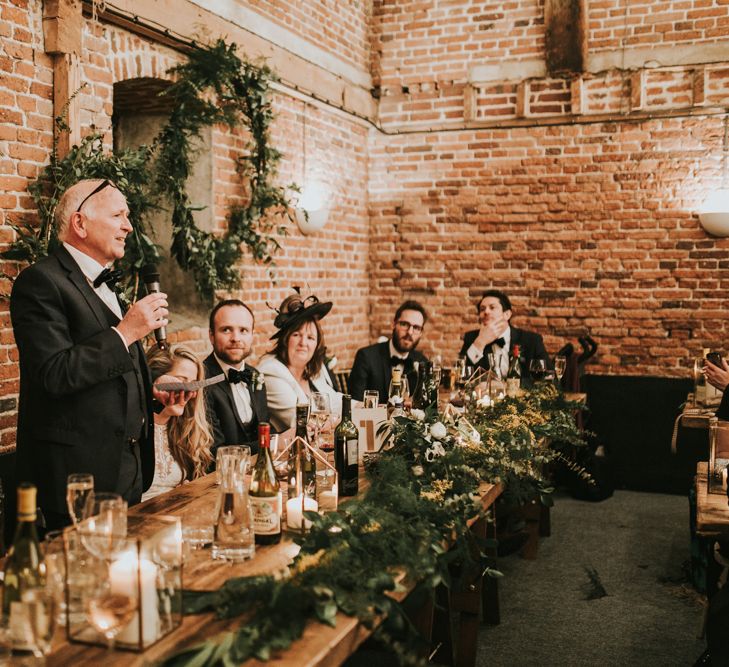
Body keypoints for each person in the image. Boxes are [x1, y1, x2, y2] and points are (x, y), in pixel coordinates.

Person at [10, 178, 174, 530]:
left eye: (127, 216)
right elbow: (54, 373)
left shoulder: (107, 282)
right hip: (75, 482)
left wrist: (151, 392)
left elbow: (109, 373)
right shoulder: (40, 283)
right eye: (118, 215)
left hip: (127, 472)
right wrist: (127, 331)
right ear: (80, 223)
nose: (128, 226)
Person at [257, 293, 342, 433]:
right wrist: (339, 418)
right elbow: (303, 421)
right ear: (286, 339)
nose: (303, 343)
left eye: (310, 337)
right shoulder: (271, 371)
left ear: (316, 345)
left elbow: (336, 401)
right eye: (296, 335)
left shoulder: (312, 369)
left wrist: (364, 406)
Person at [142, 345, 213, 501]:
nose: (188, 393)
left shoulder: (185, 430)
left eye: (193, 384)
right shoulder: (134, 428)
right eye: (181, 382)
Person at [204, 299, 270, 455]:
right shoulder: (201, 380)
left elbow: (264, 427)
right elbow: (215, 452)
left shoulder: (255, 375)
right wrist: (272, 442)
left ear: (252, 335)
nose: (236, 338)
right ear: (211, 336)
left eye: (243, 330)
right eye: (226, 330)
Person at [348, 300, 429, 403]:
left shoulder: (422, 362)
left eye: (416, 328)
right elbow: (354, 403)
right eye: (404, 324)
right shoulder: (366, 357)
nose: (410, 332)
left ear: (421, 332)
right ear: (393, 324)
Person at [459, 289, 549, 378]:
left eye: (492, 307)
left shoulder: (531, 340)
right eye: (482, 309)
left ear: (507, 315)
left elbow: (550, 378)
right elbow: (461, 377)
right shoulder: (471, 338)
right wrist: (480, 342)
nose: (486, 312)